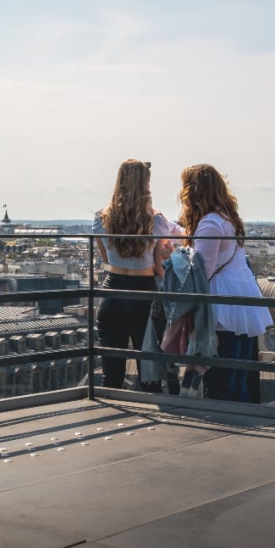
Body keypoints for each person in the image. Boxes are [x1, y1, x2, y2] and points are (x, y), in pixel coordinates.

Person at [178, 164, 272, 401]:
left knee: (220, 379)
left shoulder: (210, 223)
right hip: (242, 300)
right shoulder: (228, 219)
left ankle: (224, 425)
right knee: (238, 376)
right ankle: (240, 425)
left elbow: (202, 272)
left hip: (221, 307)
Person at [93, 159, 176, 389]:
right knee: (150, 374)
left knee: (112, 375)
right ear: (144, 184)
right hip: (144, 295)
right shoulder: (157, 221)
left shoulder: (101, 219)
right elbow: (160, 264)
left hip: (112, 293)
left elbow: (107, 260)